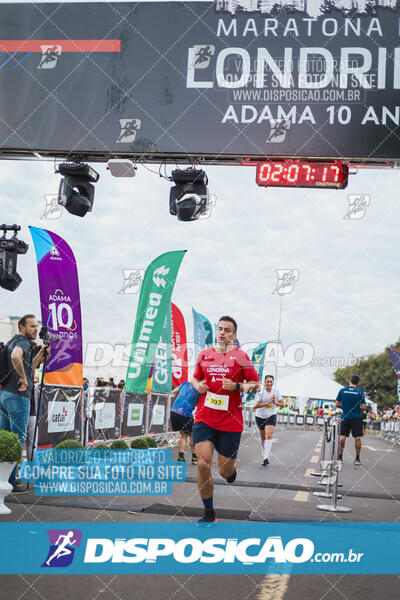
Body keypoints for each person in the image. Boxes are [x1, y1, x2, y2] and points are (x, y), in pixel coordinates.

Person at [191, 316, 260, 525]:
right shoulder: (205, 355)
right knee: (202, 462)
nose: (222, 333)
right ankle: (209, 513)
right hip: (204, 417)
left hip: (230, 421)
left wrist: (238, 387)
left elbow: (255, 384)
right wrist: (198, 385)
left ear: (234, 335)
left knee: (224, 471)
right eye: (220, 329)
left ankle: (232, 471)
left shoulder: (241, 357)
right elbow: (194, 378)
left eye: (227, 330)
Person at [0, 315, 47, 492]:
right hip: (18, 396)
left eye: (37, 326)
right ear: (22, 327)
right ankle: (10, 481)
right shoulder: (24, 343)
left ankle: (3, 478)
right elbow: (15, 356)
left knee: (5, 439)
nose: (35, 329)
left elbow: (29, 367)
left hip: (4, 394)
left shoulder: (14, 340)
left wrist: (40, 355)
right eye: (32, 326)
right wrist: (22, 378)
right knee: (16, 440)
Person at [253, 374, 284, 467]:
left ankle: (266, 457)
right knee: (263, 437)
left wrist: (275, 402)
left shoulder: (276, 391)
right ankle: (264, 455)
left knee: (269, 434)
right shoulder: (260, 391)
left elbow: (282, 404)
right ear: (265, 382)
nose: (269, 383)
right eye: (268, 381)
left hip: (271, 415)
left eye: (271, 381)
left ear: (273, 382)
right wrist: (268, 402)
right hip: (260, 416)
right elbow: (255, 405)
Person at [336, 374, 367, 465]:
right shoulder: (360, 392)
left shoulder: (342, 390)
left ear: (350, 381)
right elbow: (364, 406)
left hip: (345, 416)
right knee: (357, 438)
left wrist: (344, 407)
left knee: (342, 437)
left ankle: (340, 458)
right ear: (357, 382)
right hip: (357, 417)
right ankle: (357, 459)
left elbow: (337, 404)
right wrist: (358, 408)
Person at [170, 381, 200, 464]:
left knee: (183, 435)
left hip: (174, 410)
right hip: (185, 413)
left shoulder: (186, 383)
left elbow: (174, 392)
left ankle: (181, 458)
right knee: (192, 434)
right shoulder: (201, 389)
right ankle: (194, 458)